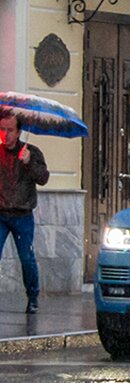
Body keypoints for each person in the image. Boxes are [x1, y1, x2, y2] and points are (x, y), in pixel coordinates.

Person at [0, 107, 50, 313]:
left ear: (19, 131)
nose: (5, 134)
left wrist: (28, 162)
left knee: (27, 258)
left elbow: (43, 178)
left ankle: (32, 297)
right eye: (2, 129)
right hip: (1, 214)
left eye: (10, 129)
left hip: (22, 215)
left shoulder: (31, 151)